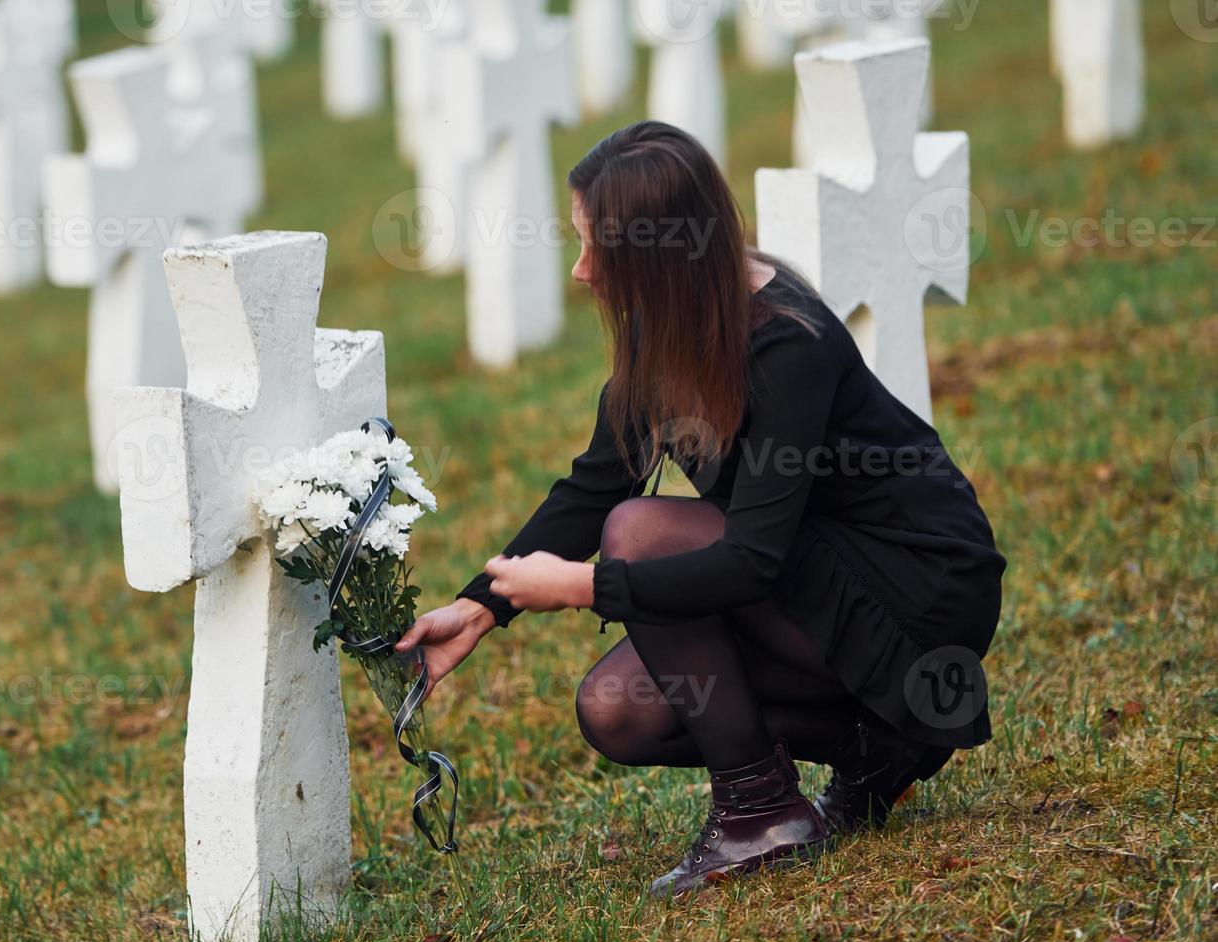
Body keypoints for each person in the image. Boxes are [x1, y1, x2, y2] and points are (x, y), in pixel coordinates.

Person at [394, 121, 1007, 899]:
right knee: (617, 708)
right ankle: (877, 746)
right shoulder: (676, 324)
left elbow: (753, 560)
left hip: (916, 593)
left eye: (597, 251)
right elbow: (595, 484)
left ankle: (759, 812)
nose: (581, 273)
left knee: (639, 534)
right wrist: (479, 608)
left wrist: (584, 589)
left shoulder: (786, 344)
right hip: (815, 588)